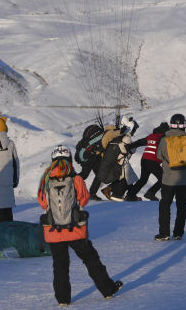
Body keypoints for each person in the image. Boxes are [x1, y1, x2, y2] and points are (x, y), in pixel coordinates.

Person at [37, 145, 123, 305]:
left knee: (60, 265)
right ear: (69, 159)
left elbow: (42, 201)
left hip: (53, 229)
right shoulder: (75, 178)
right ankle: (108, 290)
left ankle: (63, 300)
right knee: (90, 259)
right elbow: (84, 198)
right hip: (75, 228)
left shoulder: (46, 179)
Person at [155, 113, 186, 241]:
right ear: (183, 125)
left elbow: (159, 156)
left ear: (171, 125)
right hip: (185, 179)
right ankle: (178, 233)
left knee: (165, 205)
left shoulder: (164, 139)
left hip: (169, 180)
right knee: (181, 206)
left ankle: (164, 233)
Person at [124, 121, 169, 201]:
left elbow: (140, 142)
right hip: (153, 161)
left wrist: (130, 146)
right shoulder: (163, 137)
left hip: (144, 160)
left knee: (143, 180)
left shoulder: (152, 136)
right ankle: (150, 193)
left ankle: (130, 195)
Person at [97, 115, 138, 201]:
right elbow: (132, 150)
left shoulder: (118, 136)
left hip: (116, 163)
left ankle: (131, 195)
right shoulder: (126, 139)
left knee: (128, 175)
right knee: (127, 177)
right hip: (119, 163)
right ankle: (116, 194)